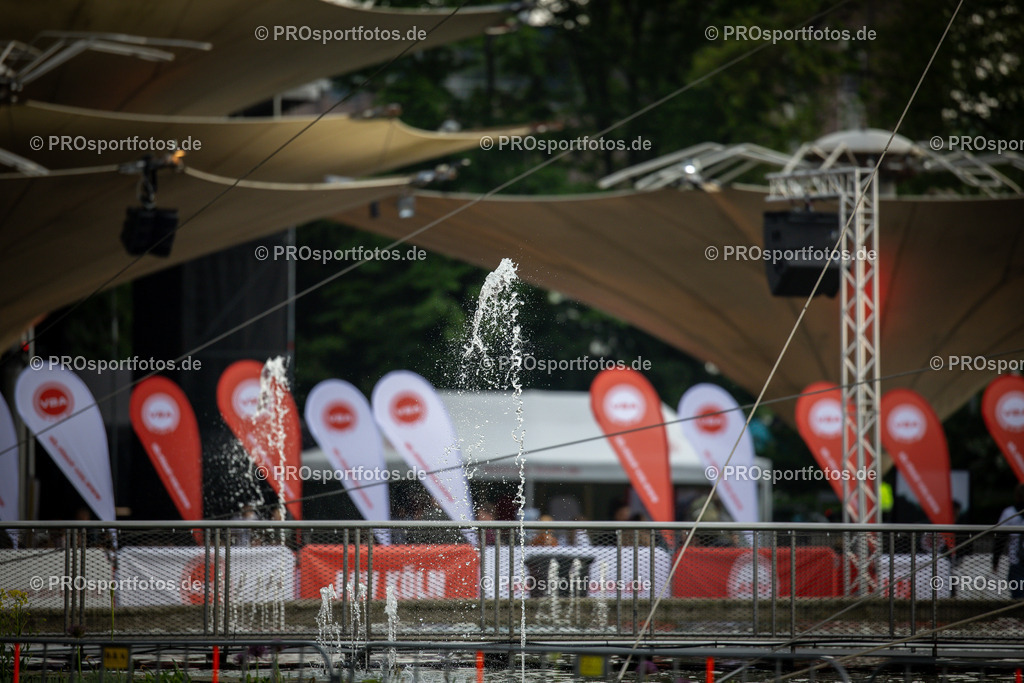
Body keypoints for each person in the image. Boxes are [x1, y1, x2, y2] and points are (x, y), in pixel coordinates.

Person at [992, 483, 1024, 599]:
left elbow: (1000, 538)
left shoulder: (1009, 513)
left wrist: (995, 561)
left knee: (1018, 594)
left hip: (1015, 561)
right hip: (1017, 561)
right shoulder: (1009, 513)